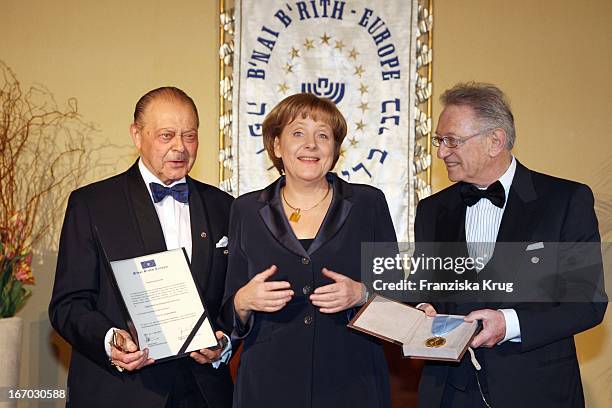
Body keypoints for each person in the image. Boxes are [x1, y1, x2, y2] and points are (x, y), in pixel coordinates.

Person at [414, 82, 607, 407]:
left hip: (536, 391)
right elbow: (425, 290)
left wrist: (509, 324)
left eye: (452, 141)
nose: (441, 152)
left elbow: (587, 304)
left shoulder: (565, 200)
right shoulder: (432, 210)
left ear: (495, 141)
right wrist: (421, 309)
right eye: (439, 140)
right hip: (449, 393)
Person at [49, 87, 234, 407]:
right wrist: (109, 341)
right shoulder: (92, 205)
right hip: (119, 391)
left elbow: (234, 297)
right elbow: (68, 305)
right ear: (137, 135)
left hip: (203, 393)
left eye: (189, 136)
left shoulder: (225, 207)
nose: (180, 147)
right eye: (167, 135)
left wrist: (225, 341)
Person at [222, 93, 396, 408]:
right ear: (276, 145)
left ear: (336, 149)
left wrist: (362, 293)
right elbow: (228, 308)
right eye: (298, 133)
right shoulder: (245, 210)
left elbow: (399, 300)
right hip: (266, 387)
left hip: (354, 384)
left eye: (323, 135)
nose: (311, 144)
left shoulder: (368, 204)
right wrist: (243, 300)